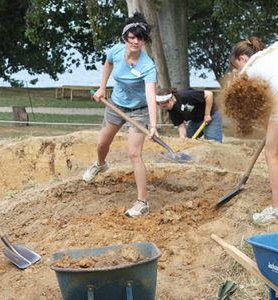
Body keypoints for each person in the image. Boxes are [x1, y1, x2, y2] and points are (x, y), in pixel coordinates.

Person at [82, 12, 159, 218]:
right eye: (131, 37)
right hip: (116, 104)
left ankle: (142, 202)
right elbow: (108, 64)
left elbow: (151, 95)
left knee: (134, 154)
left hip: (139, 111)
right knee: (101, 144)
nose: (135, 41)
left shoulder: (148, 66)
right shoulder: (116, 51)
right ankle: (100, 164)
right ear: (125, 37)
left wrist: (153, 125)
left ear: (144, 40)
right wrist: (101, 88)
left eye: (140, 38)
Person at [230, 36, 278, 225]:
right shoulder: (276, 48)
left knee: (273, 153)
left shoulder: (249, 69)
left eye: (236, 66)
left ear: (242, 59)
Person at [156, 87, 222, 143]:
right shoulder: (171, 109)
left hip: (211, 115)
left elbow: (209, 94)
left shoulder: (184, 95)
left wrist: (207, 115)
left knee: (212, 141)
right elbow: (181, 126)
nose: (165, 109)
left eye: (165, 106)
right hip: (195, 120)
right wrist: (183, 141)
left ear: (170, 99)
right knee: (188, 139)